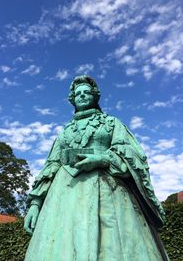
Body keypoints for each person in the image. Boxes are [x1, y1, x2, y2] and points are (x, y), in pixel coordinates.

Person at [24, 75, 169, 261]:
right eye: (78, 94)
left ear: (94, 96)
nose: (82, 96)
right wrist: (35, 204)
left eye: (87, 92)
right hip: (63, 197)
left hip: (109, 193)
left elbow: (132, 155)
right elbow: (51, 165)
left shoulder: (112, 123)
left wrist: (102, 159)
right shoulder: (64, 132)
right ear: (73, 100)